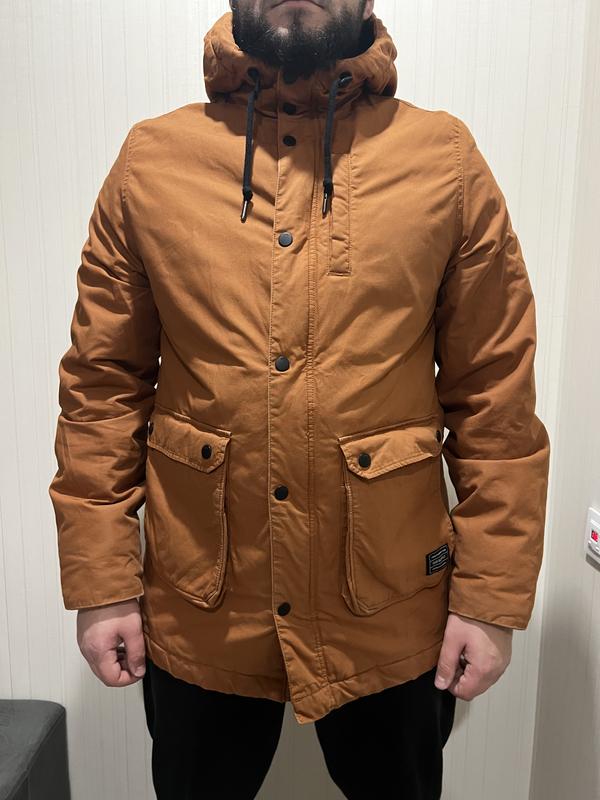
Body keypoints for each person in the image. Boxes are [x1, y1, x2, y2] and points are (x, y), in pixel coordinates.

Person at [48, 1, 551, 798]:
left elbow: (495, 394)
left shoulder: (444, 161)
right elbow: (101, 388)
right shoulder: (151, 162)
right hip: (200, 608)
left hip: (391, 609)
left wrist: (490, 599)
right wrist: (102, 580)